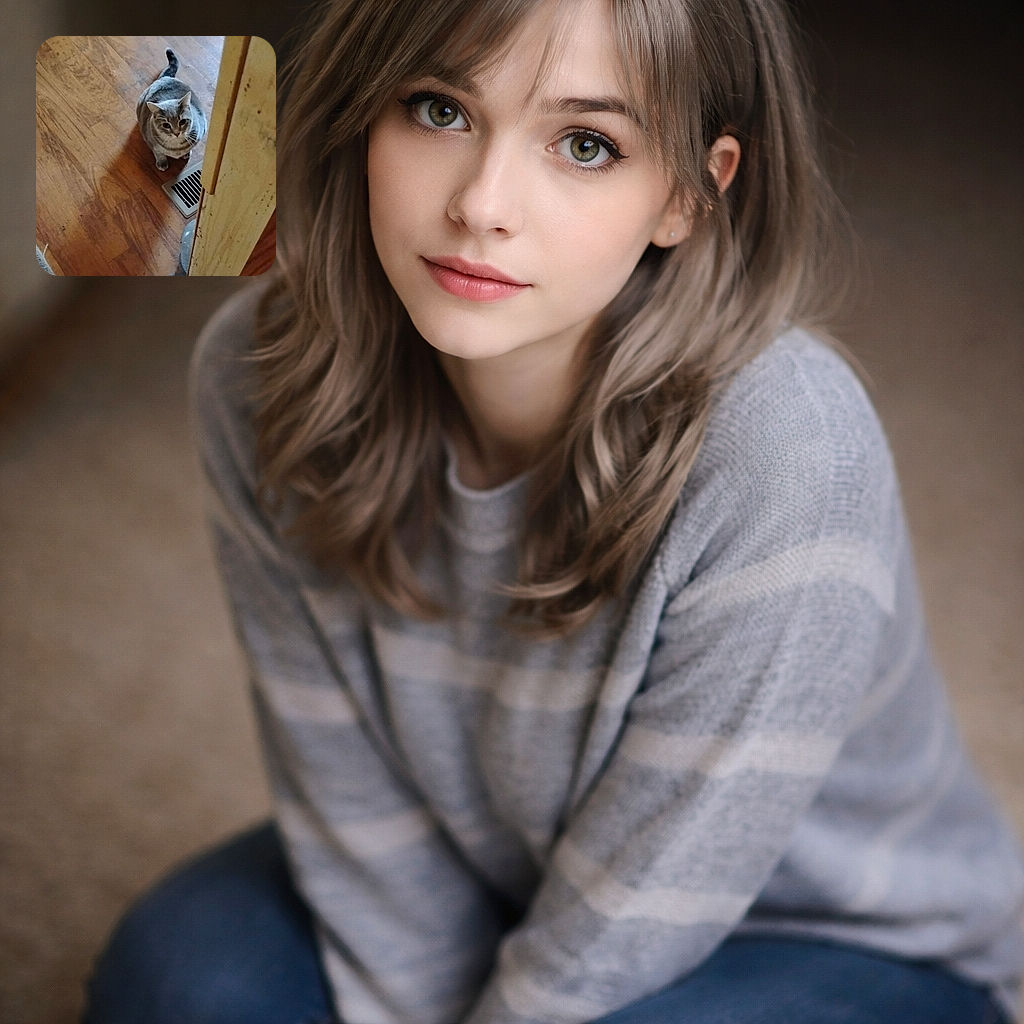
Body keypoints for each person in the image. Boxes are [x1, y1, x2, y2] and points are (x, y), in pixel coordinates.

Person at [83, 0, 1024, 1021]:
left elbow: (650, 893)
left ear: (686, 197)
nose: (483, 204)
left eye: (586, 144)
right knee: (177, 974)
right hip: (496, 865)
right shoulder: (252, 377)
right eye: (438, 109)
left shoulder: (788, 447)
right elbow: (347, 798)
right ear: (363, 112)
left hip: (823, 933)